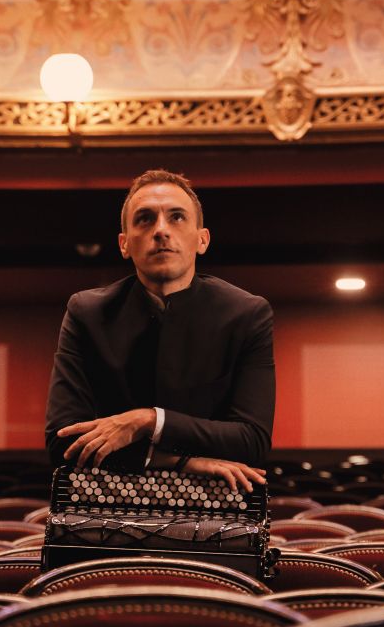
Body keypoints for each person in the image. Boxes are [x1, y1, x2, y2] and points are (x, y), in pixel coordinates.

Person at [45, 169, 272, 493]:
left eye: (177, 217)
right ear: (124, 244)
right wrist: (181, 462)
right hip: (108, 503)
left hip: (215, 506)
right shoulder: (86, 312)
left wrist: (148, 420)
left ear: (202, 239)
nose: (161, 230)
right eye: (145, 219)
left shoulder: (247, 313)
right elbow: (63, 443)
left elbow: (252, 442)